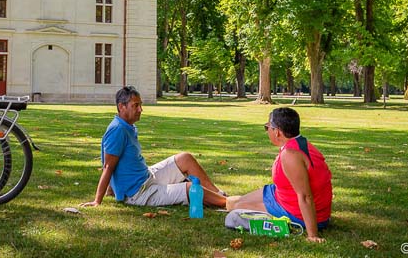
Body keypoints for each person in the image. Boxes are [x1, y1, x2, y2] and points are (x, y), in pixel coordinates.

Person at [81, 86, 227, 209]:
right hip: (139, 193)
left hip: (147, 176)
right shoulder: (117, 130)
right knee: (190, 189)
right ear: (121, 107)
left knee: (185, 158)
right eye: (135, 105)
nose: (140, 109)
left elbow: (119, 162)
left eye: (140, 105)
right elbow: (108, 166)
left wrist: (112, 190)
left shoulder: (128, 126)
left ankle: (219, 194)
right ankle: (228, 204)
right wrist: (97, 201)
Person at [226, 107, 332, 243]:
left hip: (294, 211)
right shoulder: (300, 142)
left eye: (267, 127)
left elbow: (305, 196)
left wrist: (312, 235)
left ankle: (284, 225)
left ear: (277, 132)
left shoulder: (290, 155)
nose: (267, 130)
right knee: (233, 203)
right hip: (281, 194)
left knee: (234, 214)